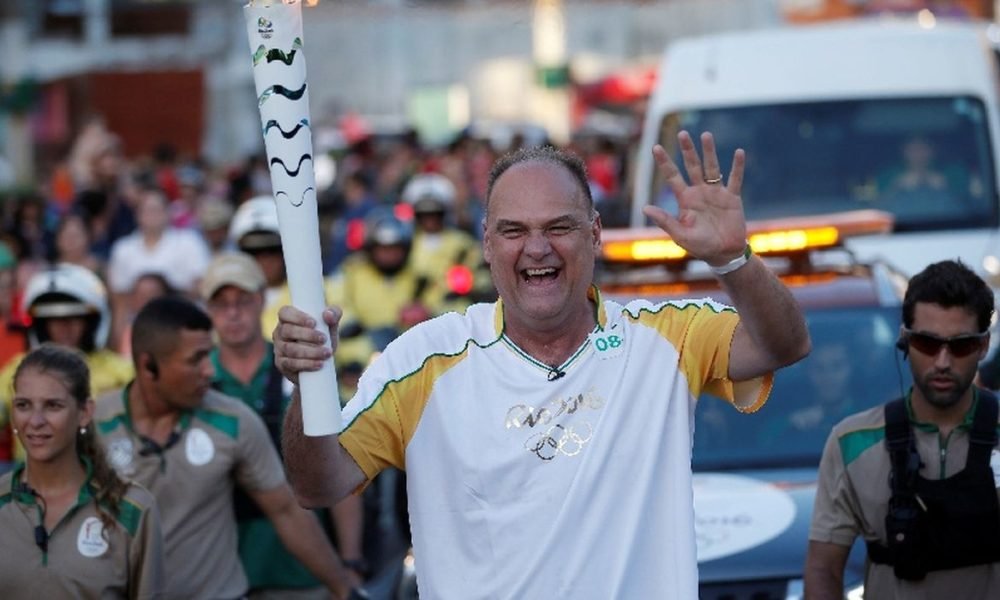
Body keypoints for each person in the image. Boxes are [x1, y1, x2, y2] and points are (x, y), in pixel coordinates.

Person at [272, 132, 811, 597]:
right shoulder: (424, 359)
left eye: (559, 227)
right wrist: (307, 387)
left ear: (594, 234)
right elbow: (318, 486)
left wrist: (733, 260)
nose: (537, 249)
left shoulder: (666, 337)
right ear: (487, 241)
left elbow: (783, 345)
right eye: (514, 231)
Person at [92, 296, 363, 600]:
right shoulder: (94, 427)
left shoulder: (234, 420)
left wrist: (345, 589)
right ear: (148, 366)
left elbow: (287, 512)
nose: (209, 370)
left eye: (209, 355)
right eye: (196, 359)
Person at [805, 259, 1000, 598]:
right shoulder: (852, 441)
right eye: (927, 343)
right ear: (905, 341)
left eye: (961, 345)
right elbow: (823, 568)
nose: (942, 362)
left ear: (983, 346)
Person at [201, 252, 367, 597]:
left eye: (243, 301)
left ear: (262, 299)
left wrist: (350, 562)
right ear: (208, 310)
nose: (233, 313)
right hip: (221, 575)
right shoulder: (195, 379)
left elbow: (341, 464)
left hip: (304, 575)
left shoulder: (298, 365)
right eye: (221, 304)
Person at [0, 344, 163, 598]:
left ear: (85, 413)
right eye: (23, 405)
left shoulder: (132, 508)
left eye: (53, 406)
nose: (35, 420)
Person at [0, 263, 134, 465]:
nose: (64, 328)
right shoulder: (18, 369)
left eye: (73, 318)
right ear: (41, 325)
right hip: (29, 478)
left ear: (90, 322)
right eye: (54, 320)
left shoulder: (120, 371)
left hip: (104, 472)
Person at [401, 172, 494, 305]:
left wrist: (470, 285)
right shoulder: (406, 243)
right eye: (424, 215)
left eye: (436, 214)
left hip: (455, 307)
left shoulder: (463, 243)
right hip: (414, 310)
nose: (430, 220)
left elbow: (482, 279)